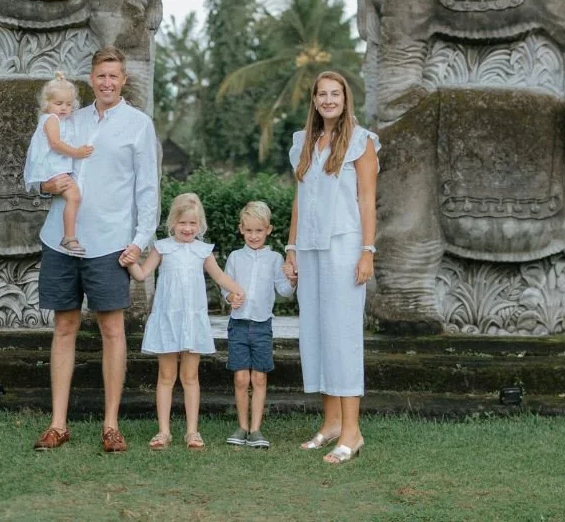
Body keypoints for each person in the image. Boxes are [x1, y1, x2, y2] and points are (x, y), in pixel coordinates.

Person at [32, 46, 158, 454]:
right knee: (64, 327)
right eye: (100, 76)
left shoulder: (139, 125)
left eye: (114, 76)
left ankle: (110, 426)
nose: (107, 82)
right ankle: (57, 424)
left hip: (110, 244)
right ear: (91, 78)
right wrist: (44, 186)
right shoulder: (69, 118)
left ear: (123, 80)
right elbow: (39, 164)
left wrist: (139, 242)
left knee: (112, 330)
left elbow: (148, 190)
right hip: (61, 239)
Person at [283, 71, 379, 465]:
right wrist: (291, 248)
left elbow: (367, 201)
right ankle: (331, 423)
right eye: (321, 94)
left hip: (345, 247)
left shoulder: (362, 142)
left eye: (334, 93)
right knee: (318, 335)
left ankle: (352, 433)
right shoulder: (303, 143)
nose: (327, 100)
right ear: (314, 100)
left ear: (345, 98)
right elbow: (299, 201)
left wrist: (367, 251)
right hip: (309, 248)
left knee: (342, 336)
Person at [127, 191, 246, 451]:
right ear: (172, 223)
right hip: (167, 319)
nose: (187, 228)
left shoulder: (203, 251)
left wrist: (236, 291)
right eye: (183, 223)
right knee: (166, 376)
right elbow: (141, 274)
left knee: (190, 377)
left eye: (193, 223)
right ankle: (163, 431)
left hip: (192, 321)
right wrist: (130, 261)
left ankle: (192, 432)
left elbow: (220, 277)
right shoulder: (162, 248)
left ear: (199, 224)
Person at [221, 200, 295, 449]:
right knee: (241, 379)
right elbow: (225, 286)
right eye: (249, 230)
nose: (254, 236)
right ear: (241, 228)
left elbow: (284, 291)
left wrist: (293, 279)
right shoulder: (234, 257)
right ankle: (241, 427)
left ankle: (256, 430)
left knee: (259, 379)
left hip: (262, 326)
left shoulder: (274, 259)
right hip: (239, 325)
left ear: (269, 230)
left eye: (259, 231)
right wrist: (231, 296)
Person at [23, 73, 94, 253]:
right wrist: (77, 153)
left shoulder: (62, 120)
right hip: (52, 167)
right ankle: (69, 237)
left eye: (68, 104)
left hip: (56, 166)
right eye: (59, 103)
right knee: (74, 196)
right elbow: (55, 144)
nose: (64, 108)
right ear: (47, 103)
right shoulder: (51, 120)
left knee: (74, 197)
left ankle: (69, 236)